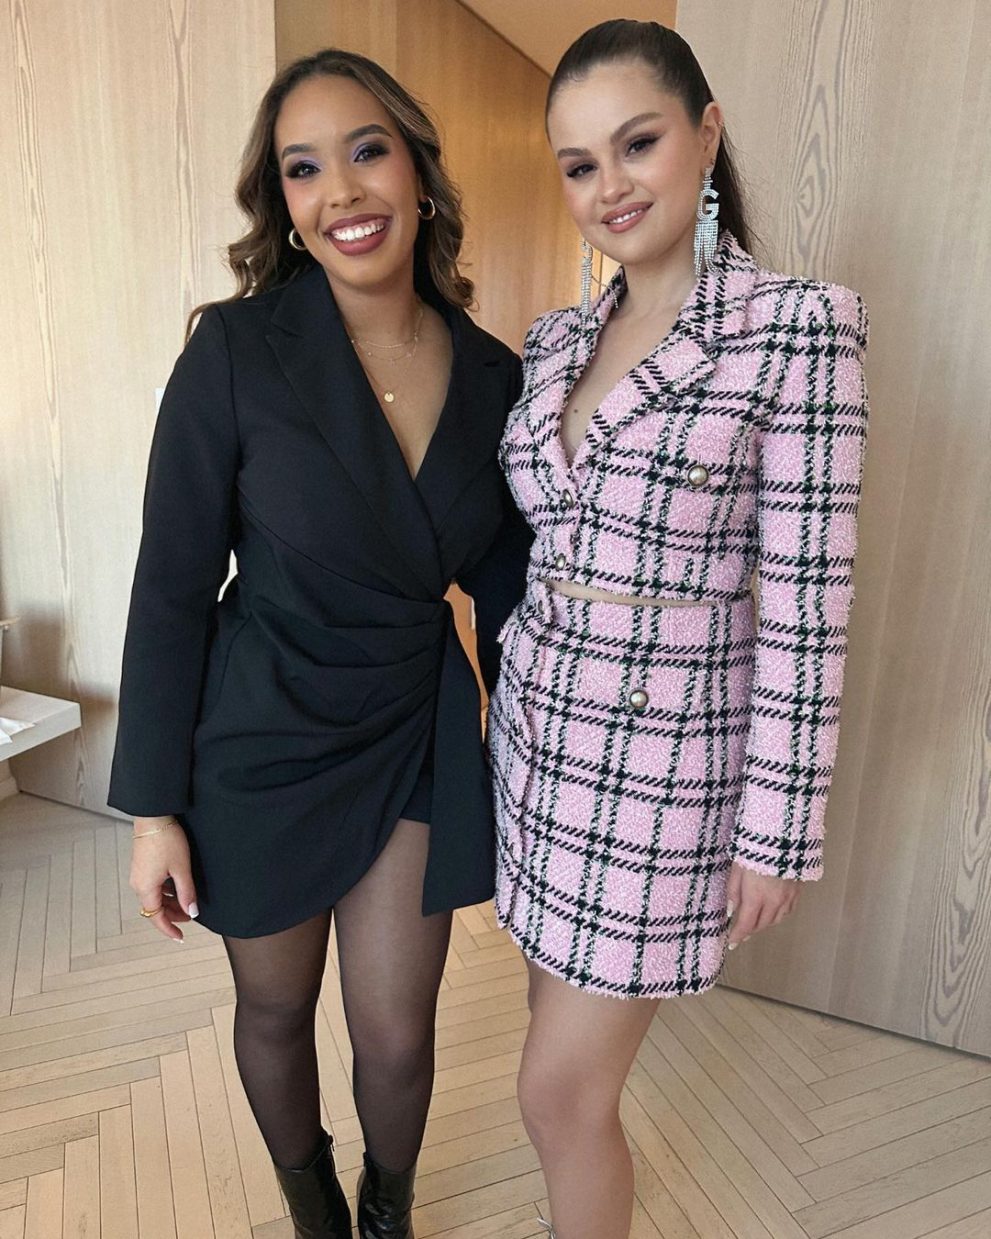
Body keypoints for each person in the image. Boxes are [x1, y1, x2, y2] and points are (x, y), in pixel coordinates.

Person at [109, 48, 529, 1239]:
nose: (340, 190)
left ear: (418, 174)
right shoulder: (236, 350)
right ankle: (316, 1216)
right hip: (259, 733)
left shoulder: (495, 376)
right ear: (283, 203)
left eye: (366, 151)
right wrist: (152, 810)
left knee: (396, 1031)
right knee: (275, 1010)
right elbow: (172, 585)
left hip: (410, 727)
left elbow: (512, 596)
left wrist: (556, 763)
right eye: (303, 169)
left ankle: (386, 1213)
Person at [486, 20, 869, 1239]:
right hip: (536, 743)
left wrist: (775, 830)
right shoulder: (555, 340)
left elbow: (807, 603)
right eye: (579, 163)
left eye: (636, 142)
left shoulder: (795, 328)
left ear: (705, 134)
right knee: (553, 1050)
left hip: (665, 770)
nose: (610, 184)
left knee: (557, 1093)